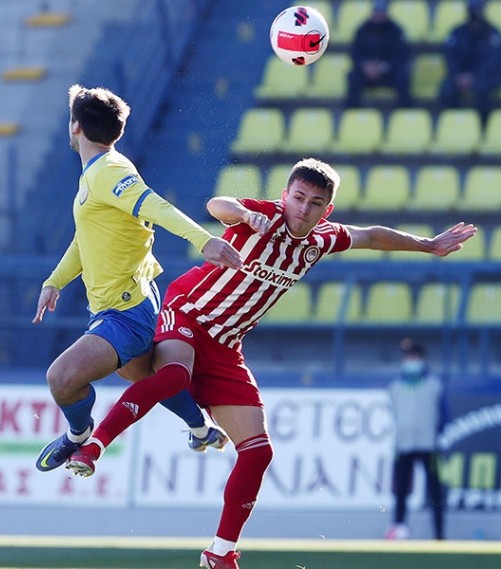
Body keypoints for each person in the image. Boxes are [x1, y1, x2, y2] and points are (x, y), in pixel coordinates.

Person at [64, 158, 477, 568]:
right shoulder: (263, 216)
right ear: (285, 195)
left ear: (326, 210)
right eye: (298, 198)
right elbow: (216, 205)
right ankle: (94, 446)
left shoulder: (322, 239)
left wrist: (426, 245)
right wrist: (244, 214)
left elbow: (370, 235)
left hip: (226, 345)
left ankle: (219, 552)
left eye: (315, 203)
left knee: (258, 451)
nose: (303, 209)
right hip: (188, 312)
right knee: (173, 374)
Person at [32, 84, 243, 474]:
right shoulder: (100, 173)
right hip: (124, 303)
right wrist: (55, 281)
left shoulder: (109, 172)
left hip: (126, 310)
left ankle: (78, 435)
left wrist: (204, 240)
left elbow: (155, 205)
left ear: (75, 126)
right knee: (144, 374)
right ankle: (199, 427)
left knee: (62, 378)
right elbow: (87, 239)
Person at [385, 339, 447, 541]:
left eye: (415, 357)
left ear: (423, 359)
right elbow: (395, 413)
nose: (412, 361)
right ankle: (399, 528)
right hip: (403, 444)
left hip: (429, 445)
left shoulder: (434, 385)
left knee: (435, 491)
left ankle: (439, 533)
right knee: (401, 490)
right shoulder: (395, 387)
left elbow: (444, 414)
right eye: (409, 357)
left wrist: (438, 434)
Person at [438, 0, 501, 124]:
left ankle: (482, 126)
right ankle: (451, 124)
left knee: (483, 91)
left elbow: (493, 61)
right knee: (446, 89)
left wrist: (474, 76)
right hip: (459, 76)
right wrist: (458, 76)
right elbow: (450, 57)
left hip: (485, 77)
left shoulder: (492, 34)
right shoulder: (458, 32)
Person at [345, 0, 412, 108]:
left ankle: (404, 111)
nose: (378, 14)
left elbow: (402, 55)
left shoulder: (395, 31)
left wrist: (386, 66)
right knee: (353, 77)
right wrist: (364, 66)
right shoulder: (363, 30)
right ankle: (351, 112)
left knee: (403, 77)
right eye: (376, 11)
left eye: (381, 12)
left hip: (389, 72)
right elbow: (355, 52)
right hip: (366, 72)